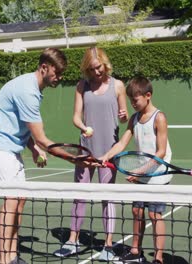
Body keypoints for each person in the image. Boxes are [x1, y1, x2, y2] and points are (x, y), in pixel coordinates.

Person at [0, 48, 67, 264]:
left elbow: (22, 124)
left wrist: (33, 148)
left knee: (20, 197)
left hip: (12, 145)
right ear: (44, 68)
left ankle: (12, 255)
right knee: (11, 199)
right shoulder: (27, 91)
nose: (59, 78)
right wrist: (72, 158)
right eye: (57, 73)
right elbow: (42, 139)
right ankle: (4, 260)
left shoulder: (33, 88)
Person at [53, 47, 129, 261]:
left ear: (105, 64)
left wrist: (123, 116)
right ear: (87, 69)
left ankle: (107, 245)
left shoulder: (118, 86)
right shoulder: (81, 86)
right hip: (85, 152)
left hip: (109, 153)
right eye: (92, 69)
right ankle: (72, 240)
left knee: (108, 198)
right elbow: (76, 118)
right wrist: (84, 127)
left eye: (100, 67)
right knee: (80, 197)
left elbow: (124, 118)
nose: (97, 72)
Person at [100, 76, 172, 264]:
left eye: (136, 99)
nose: (132, 103)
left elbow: (161, 153)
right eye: (130, 99)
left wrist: (139, 171)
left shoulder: (159, 118)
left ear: (148, 96)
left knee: (154, 215)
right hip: (141, 173)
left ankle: (158, 258)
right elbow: (123, 142)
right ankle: (135, 251)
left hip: (158, 174)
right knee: (137, 212)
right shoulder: (134, 119)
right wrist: (107, 155)